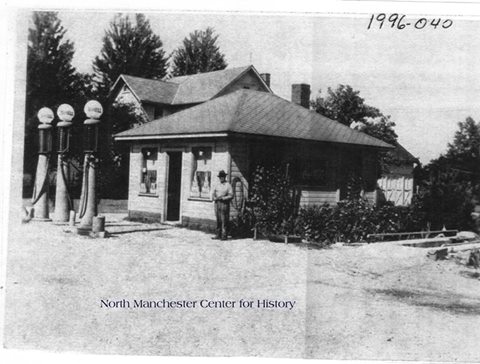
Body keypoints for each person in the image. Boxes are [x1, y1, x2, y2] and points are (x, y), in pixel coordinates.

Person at [212, 170, 233, 240]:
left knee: (224, 219)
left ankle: (224, 235)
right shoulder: (217, 185)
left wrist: (224, 198)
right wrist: (214, 197)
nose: (221, 178)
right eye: (220, 177)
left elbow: (231, 195)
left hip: (224, 204)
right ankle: (218, 234)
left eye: (222, 177)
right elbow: (214, 193)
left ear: (225, 177)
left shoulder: (228, 185)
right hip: (217, 203)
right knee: (218, 219)